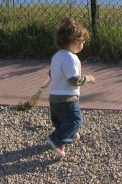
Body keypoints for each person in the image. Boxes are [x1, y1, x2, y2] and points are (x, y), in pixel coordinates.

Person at [47, 17, 96, 158]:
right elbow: (74, 80)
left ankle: (70, 135)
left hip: (54, 97)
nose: (83, 44)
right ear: (74, 42)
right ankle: (57, 139)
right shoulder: (71, 59)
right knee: (75, 119)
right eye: (82, 42)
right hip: (67, 98)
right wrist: (88, 78)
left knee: (62, 120)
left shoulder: (57, 56)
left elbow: (53, 72)